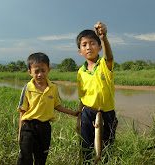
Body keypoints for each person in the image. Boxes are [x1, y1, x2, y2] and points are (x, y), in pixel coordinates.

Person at [17, 52, 80, 165]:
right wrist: (20, 133)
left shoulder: (53, 87)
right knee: (25, 158)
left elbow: (56, 105)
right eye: (36, 71)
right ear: (30, 72)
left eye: (43, 70)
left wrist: (73, 113)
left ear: (49, 70)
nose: (40, 74)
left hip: (44, 127)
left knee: (41, 157)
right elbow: (22, 111)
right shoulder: (27, 88)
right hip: (28, 127)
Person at [76, 22, 118, 163]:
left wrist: (104, 37)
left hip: (107, 114)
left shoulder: (104, 64)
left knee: (106, 148)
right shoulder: (80, 72)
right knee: (86, 147)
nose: (89, 47)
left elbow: (109, 57)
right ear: (80, 51)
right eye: (84, 45)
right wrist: (78, 119)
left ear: (100, 47)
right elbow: (82, 96)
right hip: (88, 113)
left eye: (93, 43)